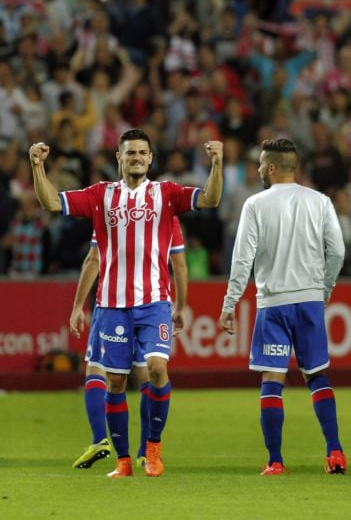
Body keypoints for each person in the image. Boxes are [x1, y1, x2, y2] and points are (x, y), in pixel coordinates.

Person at [29, 129, 223, 478]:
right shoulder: (101, 195)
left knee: (157, 368)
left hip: (154, 303)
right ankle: (122, 462)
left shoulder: (166, 194)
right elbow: (51, 203)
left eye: (142, 152)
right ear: (118, 158)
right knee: (116, 383)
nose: (136, 157)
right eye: (129, 152)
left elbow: (209, 199)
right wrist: (38, 167)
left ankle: (152, 448)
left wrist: (217, 164)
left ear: (150, 158)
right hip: (111, 305)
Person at [218, 138, 346, 476]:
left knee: (272, 381)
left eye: (261, 164)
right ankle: (335, 453)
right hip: (309, 300)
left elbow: (242, 258)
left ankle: (275, 461)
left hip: (273, 303)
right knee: (317, 375)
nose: (258, 169)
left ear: (272, 167)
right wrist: (326, 287)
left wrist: (230, 302)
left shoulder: (255, 204)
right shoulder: (320, 201)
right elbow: (338, 251)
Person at [70, 217, 187, 470]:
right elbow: (94, 257)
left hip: (133, 303)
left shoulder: (112, 207)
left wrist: (78, 305)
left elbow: (94, 258)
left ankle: (105, 439)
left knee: (98, 366)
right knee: (133, 374)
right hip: (119, 302)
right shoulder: (140, 207)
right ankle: (138, 453)